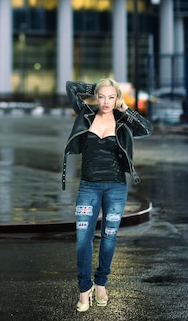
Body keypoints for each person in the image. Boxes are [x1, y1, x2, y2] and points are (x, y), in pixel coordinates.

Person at [62, 78, 153, 312]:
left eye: (111, 97)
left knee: (109, 238)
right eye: (101, 96)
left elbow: (147, 129)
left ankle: (101, 284)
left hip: (116, 188)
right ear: (96, 97)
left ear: (117, 98)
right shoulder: (85, 114)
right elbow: (71, 86)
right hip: (88, 187)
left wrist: (126, 109)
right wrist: (101, 85)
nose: (105, 101)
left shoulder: (123, 119)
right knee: (83, 239)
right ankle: (85, 290)